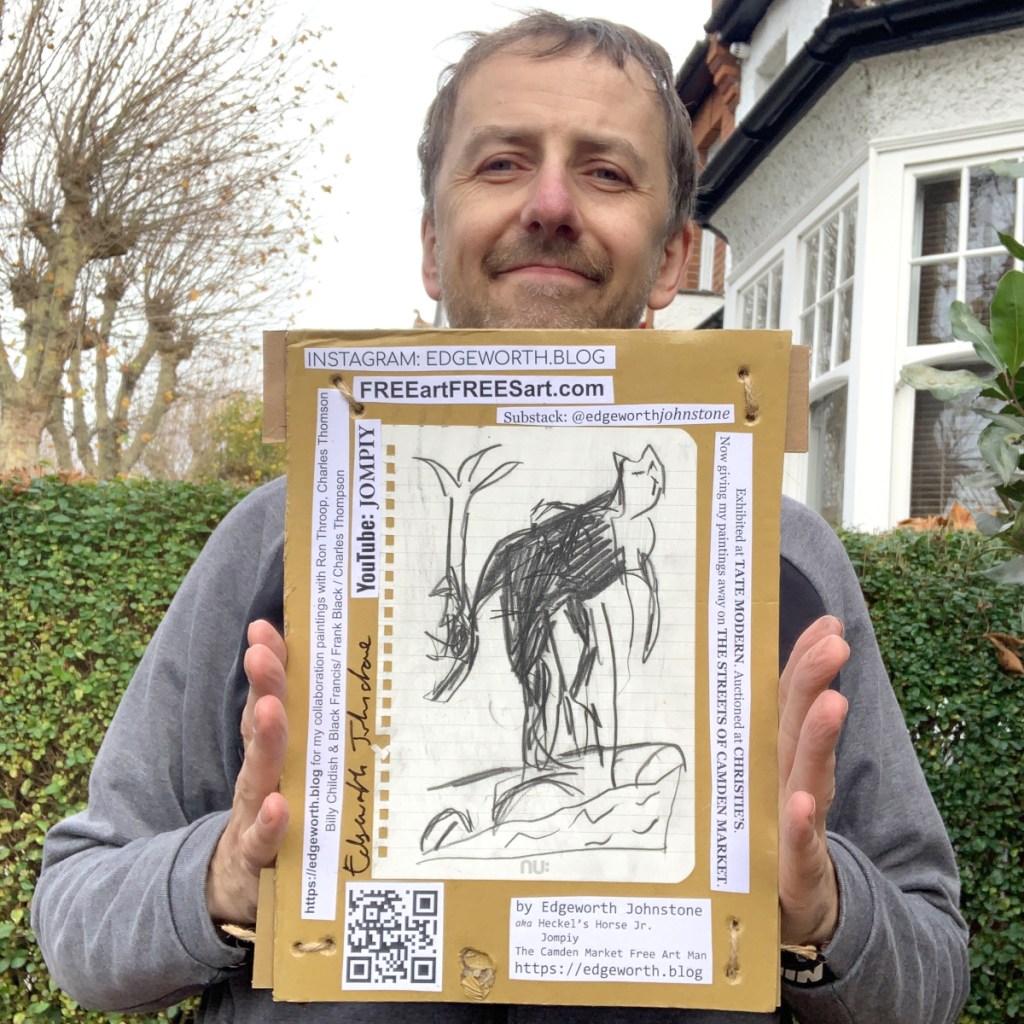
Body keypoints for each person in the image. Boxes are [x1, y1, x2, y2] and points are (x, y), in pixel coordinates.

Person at [32, 12, 969, 1024]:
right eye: (502, 163)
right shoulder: (278, 538)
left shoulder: (782, 557)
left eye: (606, 173)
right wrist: (225, 874)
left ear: (671, 257)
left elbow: (932, 966)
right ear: (433, 247)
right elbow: (79, 918)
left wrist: (824, 913)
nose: (551, 204)